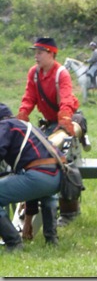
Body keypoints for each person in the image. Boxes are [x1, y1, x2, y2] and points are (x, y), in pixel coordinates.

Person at [16, 37, 87, 231]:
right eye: (35, 52)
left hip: (68, 120)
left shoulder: (61, 74)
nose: (36, 56)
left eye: (40, 52)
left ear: (51, 54)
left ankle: (69, 211)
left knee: (62, 159)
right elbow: (29, 97)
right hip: (49, 122)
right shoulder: (34, 73)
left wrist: (64, 120)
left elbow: (66, 99)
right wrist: (22, 116)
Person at [0, 103, 61, 250]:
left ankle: (14, 243)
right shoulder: (25, 125)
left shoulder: (5, 126)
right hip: (58, 177)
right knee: (46, 194)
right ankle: (51, 239)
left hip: (38, 177)